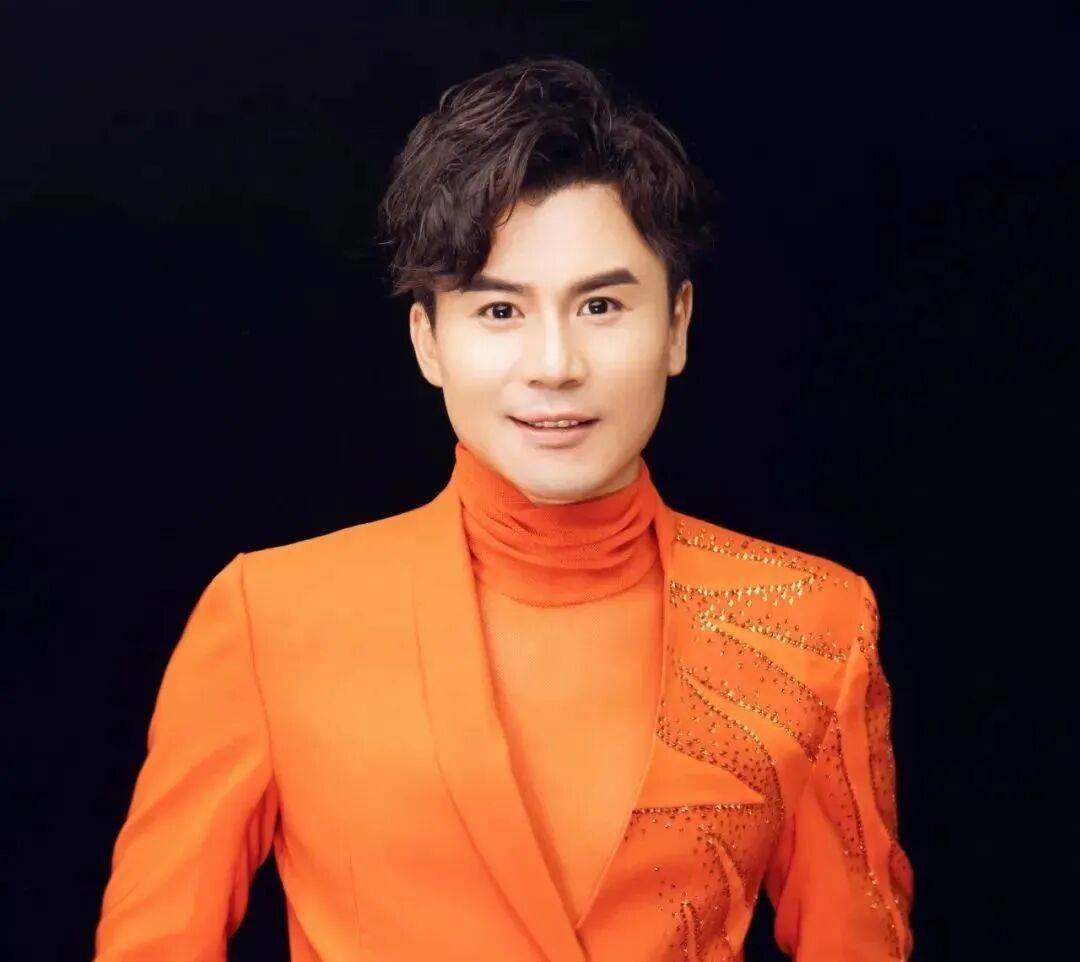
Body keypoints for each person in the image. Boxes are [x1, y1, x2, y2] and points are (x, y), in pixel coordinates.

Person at [93, 56, 914, 961]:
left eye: (600, 305)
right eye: (499, 312)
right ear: (428, 342)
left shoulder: (810, 623)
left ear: (676, 326)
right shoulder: (270, 618)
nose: (554, 365)